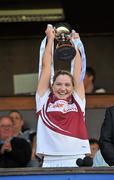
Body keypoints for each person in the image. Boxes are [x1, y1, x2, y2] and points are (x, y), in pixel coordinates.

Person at [35, 25, 90, 167]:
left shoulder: (77, 100)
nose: (63, 88)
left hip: (77, 158)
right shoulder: (44, 99)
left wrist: (75, 43)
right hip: (49, 160)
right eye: (59, 84)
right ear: (52, 86)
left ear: (73, 87)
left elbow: (77, 70)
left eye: (67, 85)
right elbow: (46, 66)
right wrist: (50, 39)